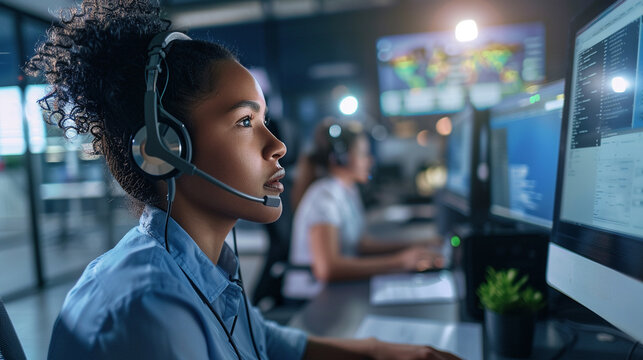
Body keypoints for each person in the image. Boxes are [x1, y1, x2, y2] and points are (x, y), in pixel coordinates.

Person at [25, 1, 459, 359]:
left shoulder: (201, 267)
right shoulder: (148, 311)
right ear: (166, 148)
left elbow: (263, 339)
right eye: (246, 120)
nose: (277, 146)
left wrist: (380, 352)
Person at [284, 121, 444, 299]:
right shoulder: (324, 197)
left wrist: (417, 246)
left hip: (336, 291)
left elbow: (361, 245)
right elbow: (327, 269)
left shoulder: (347, 190)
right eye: (363, 154)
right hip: (312, 299)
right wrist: (400, 262)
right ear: (341, 158)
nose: (370, 160)